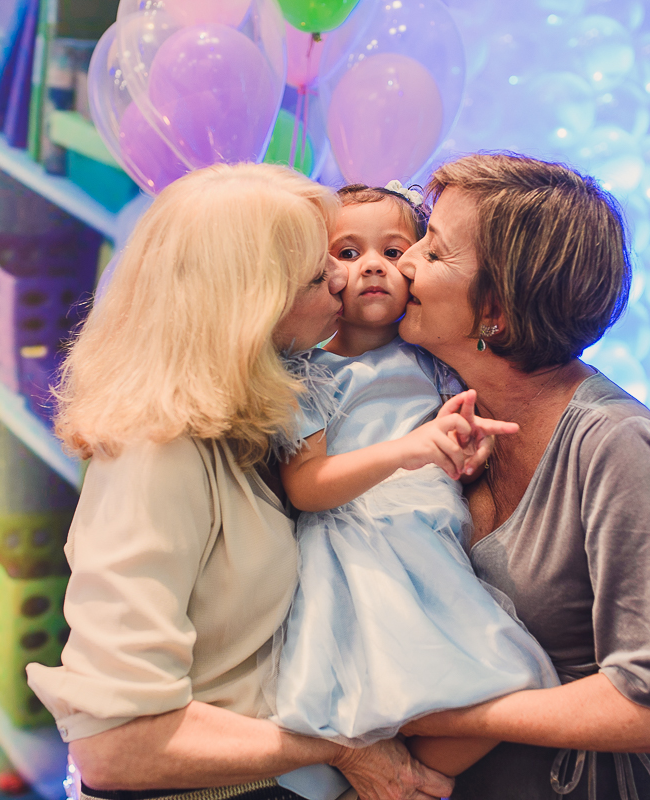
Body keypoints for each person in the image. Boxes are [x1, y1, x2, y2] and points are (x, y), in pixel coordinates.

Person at [25, 163, 454, 800]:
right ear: (250, 307)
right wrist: (341, 748)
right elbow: (115, 748)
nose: (343, 278)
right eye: (318, 273)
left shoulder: (260, 413)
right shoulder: (157, 457)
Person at [392, 154, 650, 800]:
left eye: (434, 251)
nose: (405, 263)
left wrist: (452, 714)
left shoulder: (621, 449)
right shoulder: (440, 414)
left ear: (497, 313)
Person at [265, 184, 559, 777]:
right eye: (347, 254)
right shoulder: (306, 372)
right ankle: (392, 781)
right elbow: (308, 486)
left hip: (430, 529)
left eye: (395, 250)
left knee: (510, 678)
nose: (372, 264)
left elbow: (455, 442)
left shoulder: (432, 357)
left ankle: (421, 780)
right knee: (379, 690)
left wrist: (464, 453)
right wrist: (406, 451)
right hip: (360, 538)